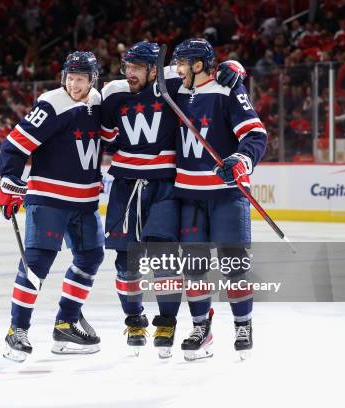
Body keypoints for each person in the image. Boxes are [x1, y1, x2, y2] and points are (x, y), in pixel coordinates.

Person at [100, 41, 245, 358]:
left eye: (137, 68)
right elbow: (98, 129)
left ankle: (166, 322)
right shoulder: (113, 91)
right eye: (127, 67)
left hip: (165, 184)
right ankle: (135, 320)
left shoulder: (175, 82)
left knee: (164, 257)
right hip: (125, 185)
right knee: (125, 262)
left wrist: (234, 68)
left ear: (154, 69)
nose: (130, 73)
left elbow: (213, 74)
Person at [0, 51, 103, 362]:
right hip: (49, 200)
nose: (73, 84)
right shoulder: (52, 104)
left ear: (92, 79)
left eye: (80, 79)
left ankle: (67, 322)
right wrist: (10, 180)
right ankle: (17, 331)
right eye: (69, 77)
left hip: (85, 202)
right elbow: (14, 145)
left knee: (91, 257)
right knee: (36, 264)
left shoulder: (98, 101)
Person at [170, 38, 266, 361]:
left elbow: (255, 135)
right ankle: (201, 327)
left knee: (234, 266)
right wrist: (233, 65)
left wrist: (240, 161)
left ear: (198, 65)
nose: (177, 68)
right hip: (189, 196)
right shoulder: (177, 91)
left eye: (182, 63)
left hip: (227, 195)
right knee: (194, 269)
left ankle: (243, 324)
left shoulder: (228, 90)